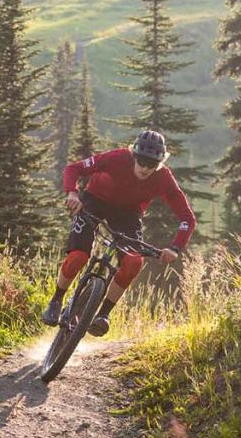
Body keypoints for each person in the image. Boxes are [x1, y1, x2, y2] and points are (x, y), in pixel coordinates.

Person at [43, 130, 197, 336]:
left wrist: (174, 247)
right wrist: (72, 192)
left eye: (151, 164)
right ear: (134, 155)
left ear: (160, 163)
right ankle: (56, 300)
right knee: (78, 256)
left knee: (133, 262)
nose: (145, 168)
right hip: (93, 201)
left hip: (128, 214)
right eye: (141, 161)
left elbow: (187, 218)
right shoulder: (116, 158)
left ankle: (103, 314)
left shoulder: (163, 178)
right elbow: (74, 168)